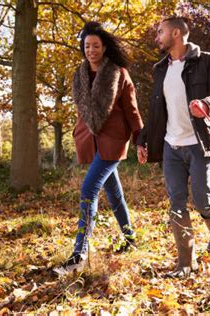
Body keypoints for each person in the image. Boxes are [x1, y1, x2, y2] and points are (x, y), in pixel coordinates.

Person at [137, 16, 210, 278]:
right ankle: (185, 264)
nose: (157, 37)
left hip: (200, 143)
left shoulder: (207, 61)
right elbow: (157, 110)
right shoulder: (160, 69)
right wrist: (142, 140)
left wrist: (208, 105)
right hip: (171, 146)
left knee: (202, 198)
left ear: (176, 34)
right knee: (176, 202)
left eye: (160, 32)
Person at [54, 22, 143, 275]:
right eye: (87, 46)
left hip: (113, 140)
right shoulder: (79, 75)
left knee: (87, 192)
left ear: (104, 48)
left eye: (95, 45)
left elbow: (132, 109)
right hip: (89, 140)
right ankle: (130, 238)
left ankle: (78, 256)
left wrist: (140, 140)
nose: (91, 50)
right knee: (114, 194)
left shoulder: (118, 73)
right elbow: (82, 111)